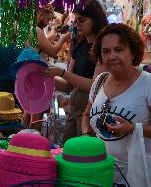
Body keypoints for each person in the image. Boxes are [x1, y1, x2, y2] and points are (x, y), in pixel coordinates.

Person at [81, 23, 151, 186]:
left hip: (141, 178)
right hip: (102, 177)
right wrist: (85, 135)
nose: (112, 56)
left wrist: (134, 128)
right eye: (106, 51)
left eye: (119, 49)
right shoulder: (100, 81)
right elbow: (86, 115)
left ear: (132, 52)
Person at [40, 0, 108, 143]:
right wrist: (46, 75)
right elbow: (68, 85)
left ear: (95, 19)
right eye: (75, 21)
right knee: (67, 149)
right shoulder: (79, 44)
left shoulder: (104, 47)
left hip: (92, 110)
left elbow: (94, 86)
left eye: (81, 20)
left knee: (82, 156)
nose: (77, 24)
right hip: (74, 108)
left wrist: (62, 73)